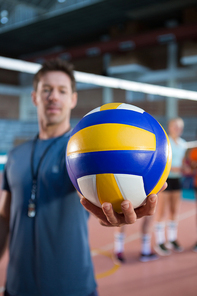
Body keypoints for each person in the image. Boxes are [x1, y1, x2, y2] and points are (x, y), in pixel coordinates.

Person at [0, 58, 160, 296]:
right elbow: (5, 216)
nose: (53, 96)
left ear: (73, 99)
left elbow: (102, 196)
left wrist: (116, 212)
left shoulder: (84, 153)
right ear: (34, 97)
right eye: (47, 90)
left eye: (62, 91)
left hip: (73, 287)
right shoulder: (15, 155)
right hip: (17, 287)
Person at [154, 117, 187, 256]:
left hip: (178, 180)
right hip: (165, 181)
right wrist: (173, 169)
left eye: (179, 126)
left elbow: (184, 163)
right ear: (170, 127)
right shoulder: (164, 142)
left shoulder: (183, 144)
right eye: (175, 126)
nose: (177, 128)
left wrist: (186, 168)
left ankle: (172, 239)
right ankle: (160, 242)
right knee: (161, 212)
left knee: (174, 210)